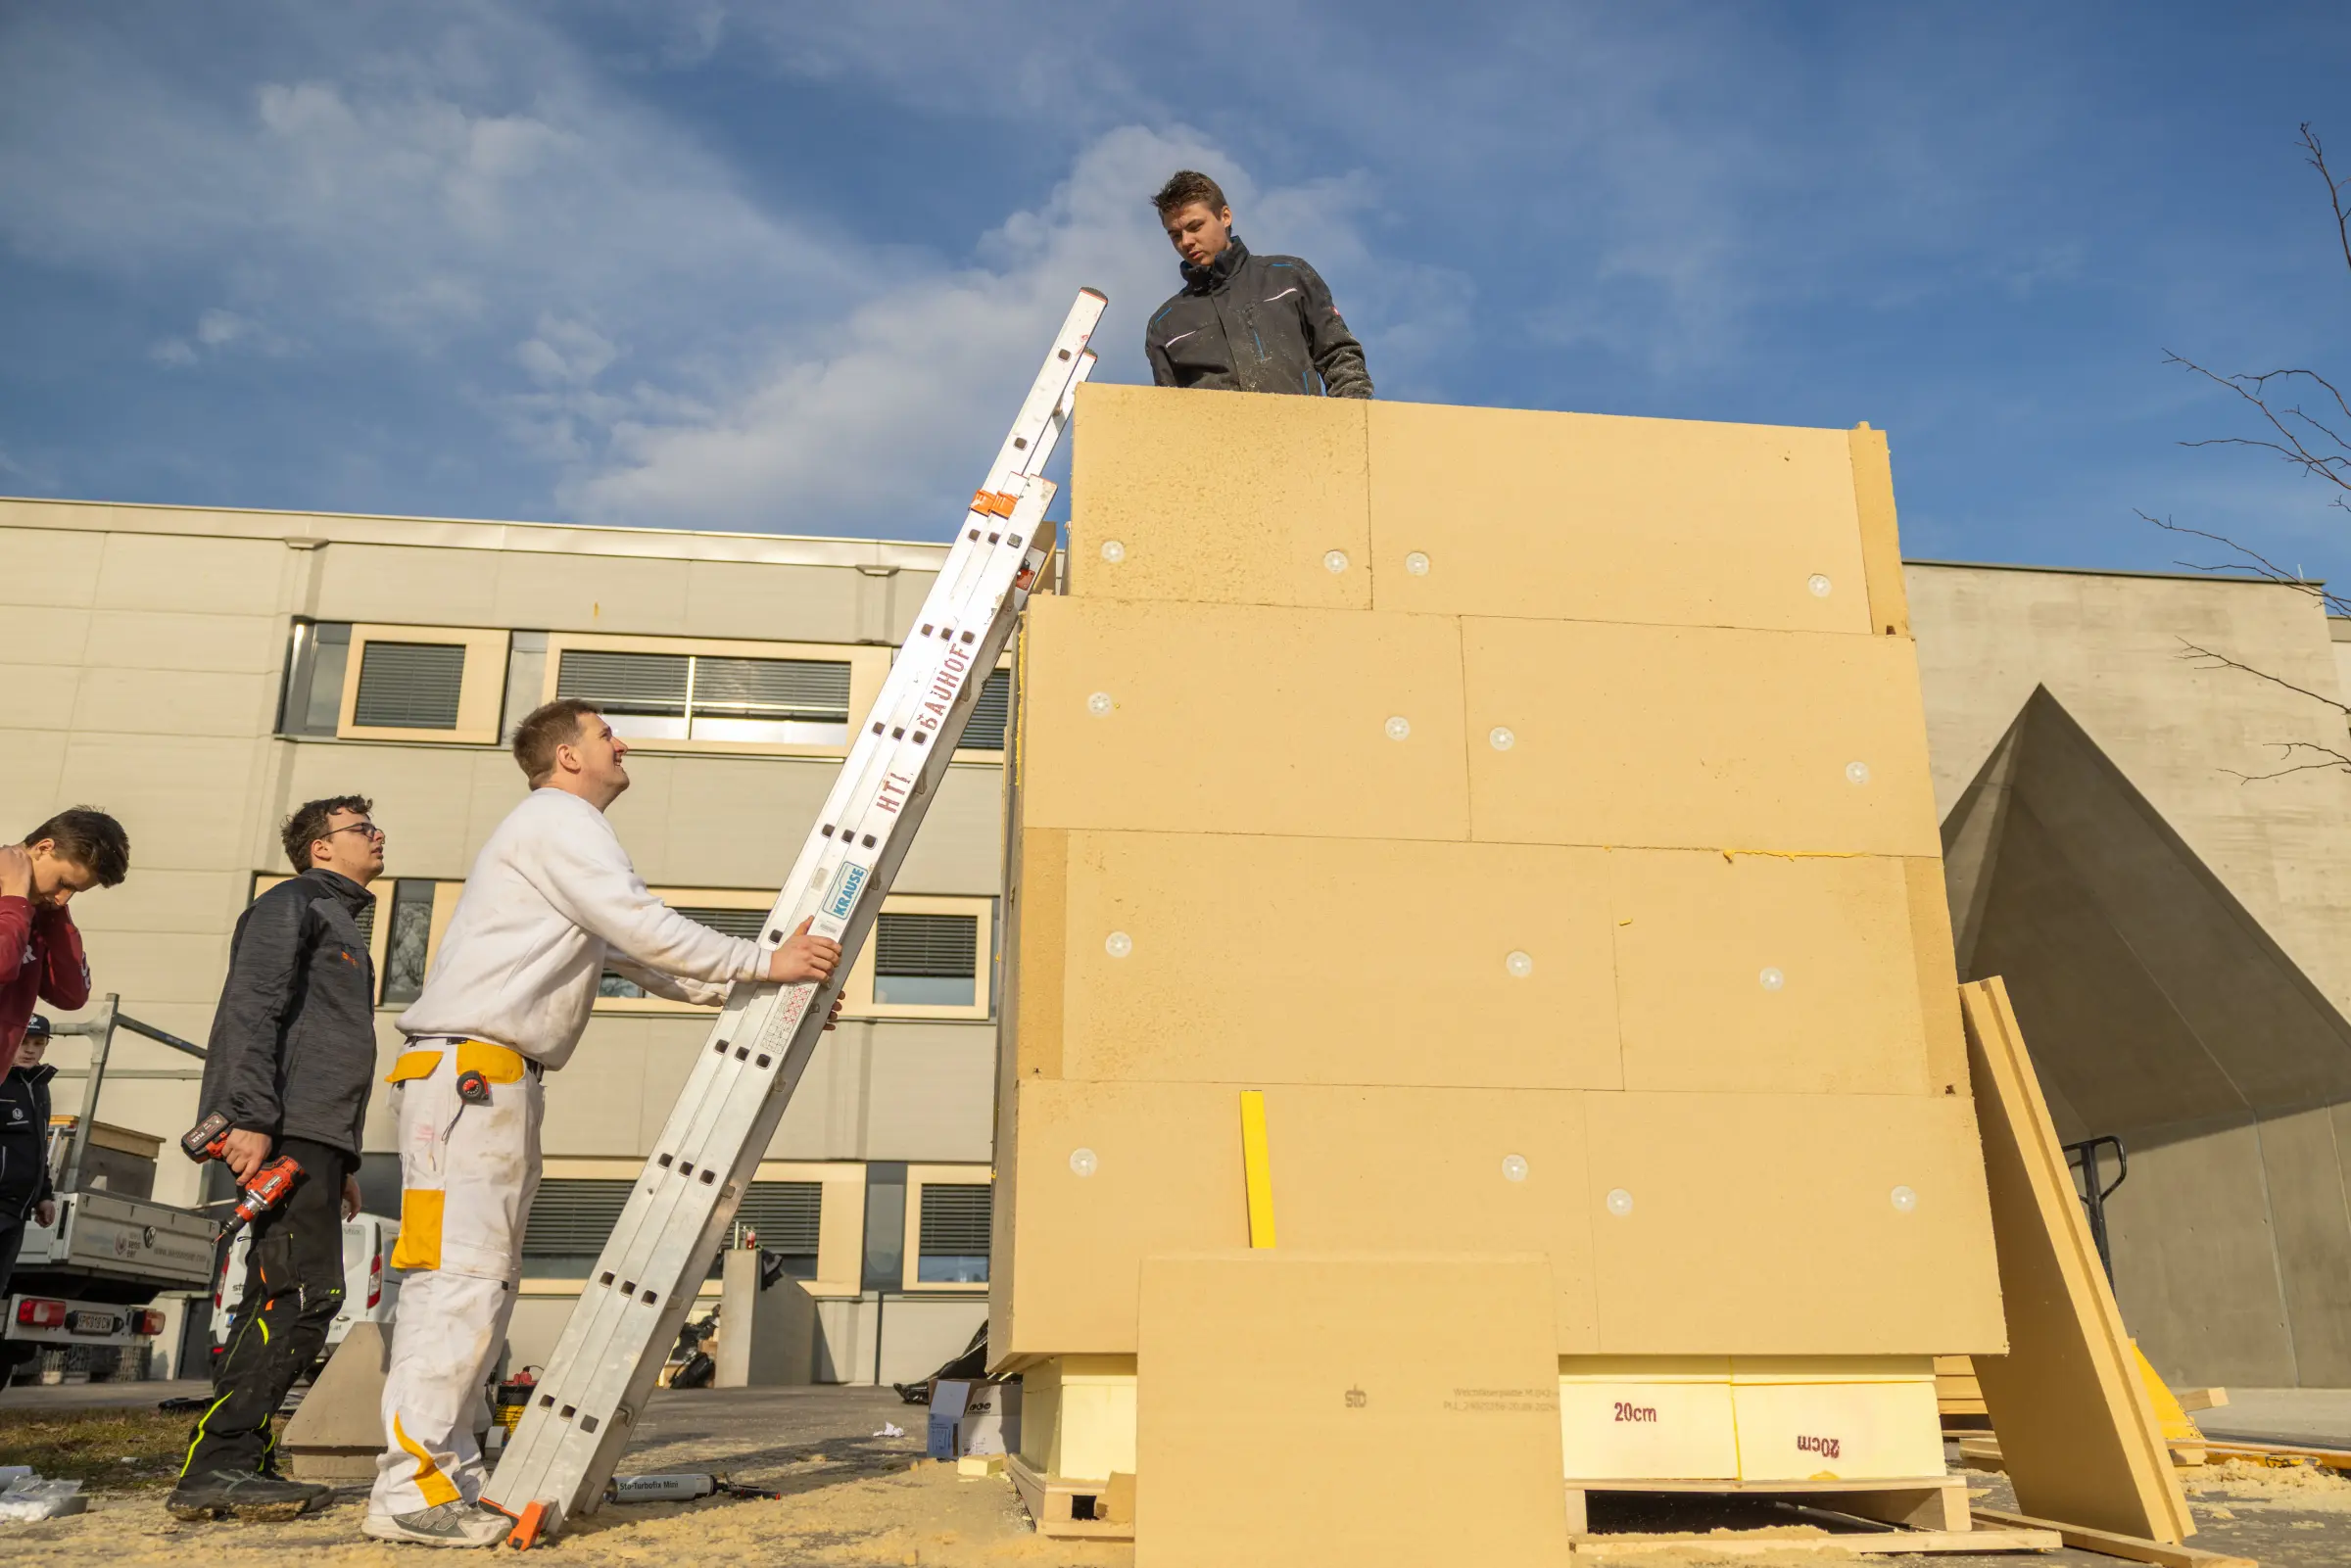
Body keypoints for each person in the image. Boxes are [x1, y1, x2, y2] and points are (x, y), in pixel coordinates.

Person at [364, 698, 842, 1548]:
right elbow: (637, 923)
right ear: (567, 757)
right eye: (604, 734)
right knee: (460, 1280)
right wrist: (761, 962)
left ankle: (449, 1477)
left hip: (487, 1079)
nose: (622, 743)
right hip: (470, 1077)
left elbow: (624, 956)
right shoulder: (559, 819)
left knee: (480, 1283)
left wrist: (763, 993)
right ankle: (410, 1490)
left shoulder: (554, 837)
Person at [168, 796, 386, 1522]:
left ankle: (237, 1457)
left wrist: (344, 1157)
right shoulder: (291, 902)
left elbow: (323, 1041)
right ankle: (220, 1465)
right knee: (297, 1293)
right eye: (362, 828)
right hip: (283, 1131)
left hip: (315, 1137)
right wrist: (249, 1117)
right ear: (321, 847)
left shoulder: (343, 923)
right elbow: (251, 1006)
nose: (377, 836)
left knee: (294, 1293)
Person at [1144, 168, 1373, 400]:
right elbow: (1170, 413)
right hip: (1217, 436)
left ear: (1225, 216)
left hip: (1302, 432)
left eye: (1195, 227)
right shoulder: (1165, 324)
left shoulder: (1289, 278)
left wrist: (1350, 424)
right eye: (1175, 235)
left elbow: (1339, 356)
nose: (1186, 242)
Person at [0, 1016, 60, 1307]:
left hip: (18, 1212)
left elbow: (37, 1147)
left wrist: (44, 1196)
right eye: (23, 1041)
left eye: (38, 1043)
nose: (30, 1050)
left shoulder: (39, 1087)